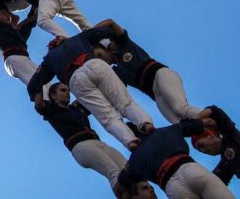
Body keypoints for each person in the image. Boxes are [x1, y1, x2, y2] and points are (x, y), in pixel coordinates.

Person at [27, 19, 153, 150]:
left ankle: (130, 141)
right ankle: (145, 124)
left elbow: (33, 84)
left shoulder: (49, 59)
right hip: (94, 64)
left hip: (75, 80)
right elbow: (107, 29)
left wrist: (39, 103)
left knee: (107, 117)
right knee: (125, 103)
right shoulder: (78, 38)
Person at [93, 22, 204, 124]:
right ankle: (208, 132)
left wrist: (90, 35)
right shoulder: (117, 72)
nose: (102, 60)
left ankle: (212, 117)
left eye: (99, 55)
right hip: (155, 93)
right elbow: (106, 89)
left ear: (106, 48)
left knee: (181, 109)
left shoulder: (123, 46)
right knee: (179, 124)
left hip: (161, 75)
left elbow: (110, 23)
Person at [38, 82, 128, 193]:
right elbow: (38, 101)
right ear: (53, 95)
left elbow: (94, 101)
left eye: (68, 90)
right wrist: (40, 81)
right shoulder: (51, 110)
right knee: (113, 171)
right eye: (63, 90)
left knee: (127, 169)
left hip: (97, 142)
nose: (68, 93)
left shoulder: (76, 109)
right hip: (80, 145)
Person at [114, 119, 235, 199]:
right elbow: (205, 122)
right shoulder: (168, 130)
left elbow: (118, 189)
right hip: (190, 169)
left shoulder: (134, 160)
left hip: (171, 187)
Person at [0, 3, 40, 85]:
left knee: (43, 79)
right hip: (14, 58)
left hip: (23, 58)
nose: (7, 16)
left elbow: (32, 20)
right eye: (3, 13)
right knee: (37, 83)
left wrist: (36, 3)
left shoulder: (17, 33)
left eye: (7, 14)